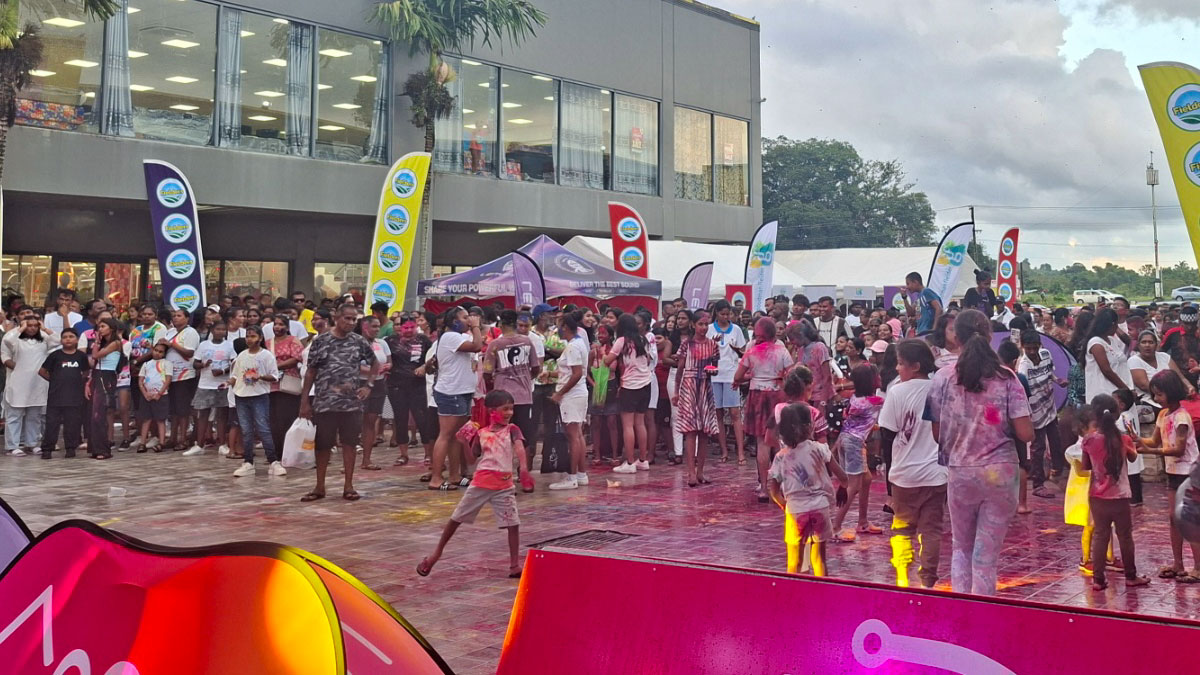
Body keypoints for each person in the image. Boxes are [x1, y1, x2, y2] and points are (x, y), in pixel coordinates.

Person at [925, 309, 1034, 595]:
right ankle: (983, 611)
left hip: (961, 472)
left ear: (956, 338)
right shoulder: (1007, 378)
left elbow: (937, 434)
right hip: (1001, 472)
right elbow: (1026, 433)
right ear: (990, 335)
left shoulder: (942, 378)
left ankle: (962, 611)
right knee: (986, 558)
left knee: (961, 548)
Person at [416, 390, 526, 579]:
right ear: (492, 410)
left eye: (511, 409)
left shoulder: (513, 430)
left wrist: (523, 467)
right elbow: (471, 460)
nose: (509, 413)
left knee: (513, 524)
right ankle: (436, 554)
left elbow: (519, 447)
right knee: (456, 518)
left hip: (504, 486)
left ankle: (514, 565)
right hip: (481, 484)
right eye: (505, 409)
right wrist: (464, 443)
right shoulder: (481, 433)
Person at [878, 339, 946, 588]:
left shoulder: (897, 391)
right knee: (931, 530)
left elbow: (887, 434)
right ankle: (928, 581)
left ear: (915, 366)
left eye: (900, 364)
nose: (897, 368)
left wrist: (889, 482)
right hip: (936, 475)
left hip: (904, 476)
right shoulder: (939, 389)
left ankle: (903, 579)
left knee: (903, 528)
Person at [299, 304, 379, 501]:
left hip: (351, 403)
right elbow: (311, 372)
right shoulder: (321, 341)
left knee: (350, 443)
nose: (350, 323)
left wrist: (368, 385)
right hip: (325, 402)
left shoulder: (358, 341)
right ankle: (319, 486)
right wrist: (304, 401)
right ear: (336, 318)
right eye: (347, 318)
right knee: (323, 445)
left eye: (354, 319)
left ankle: (349, 486)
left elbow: (375, 363)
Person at [1133, 370, 1200, 582]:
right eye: (1154, 394)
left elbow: (1178, 449)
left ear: (1171, 392)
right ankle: (1178, 563)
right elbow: (1154, 440)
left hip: (1188, 473)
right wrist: (1137, 440)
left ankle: (1198, 567)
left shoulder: (1181, 417)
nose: (1156, 398)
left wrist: (1149, 451)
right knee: (1174, 519)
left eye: (1159, 394)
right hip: (1173, 473)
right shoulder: (1163, 415)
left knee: (1190, 520)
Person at [769, 402, 847, 577]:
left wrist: (785, 505)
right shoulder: (820, 449)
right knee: (819, 559)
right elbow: (843, 477)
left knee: (794, 561)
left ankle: (792, 590)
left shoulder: (780, 458)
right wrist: (843, 488)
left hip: (796, 511)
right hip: (820, 507)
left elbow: (773, 491)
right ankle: (822, 589)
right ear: (810, 426)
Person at [1081, 393, 1150, 591]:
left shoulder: (1089, 440)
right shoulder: (1123, 439)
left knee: (1101, 535)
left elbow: (1086, 466)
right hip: (1120, 496)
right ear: (1117, 413)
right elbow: (1133, 457)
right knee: (1125, 535)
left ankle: (1098, 580)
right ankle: (1131, 576)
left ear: (1094, 415)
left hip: (1097, 496)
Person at [735, 318, 794, 502]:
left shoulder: (751, 351)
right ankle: (781, 485)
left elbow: (738, 376)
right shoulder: (782, 351)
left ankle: (763, 487)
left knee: (762, 442)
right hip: (777, 396)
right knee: (779, 442)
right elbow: (792, 374)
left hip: (757, 396)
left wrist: (751, 375)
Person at [428, 307, 484, 491]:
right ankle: (436, 478)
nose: (469, 320)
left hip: (463, 391)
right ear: (454, 321)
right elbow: (477, 346)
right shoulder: (450, 336)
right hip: (451, 392)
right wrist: (475, 327)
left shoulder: (460, 337)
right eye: (465, 317)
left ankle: (455, 475)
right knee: (446, 434)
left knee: (456, 436)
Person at [831, 364, 885, 541]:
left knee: (866, 479)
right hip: (855, 444)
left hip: (845, 440)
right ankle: (836, 526)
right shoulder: (876, 401)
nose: (880, 378)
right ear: (871, 381)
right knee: (853, 485)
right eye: (877, 375)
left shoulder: (855, 397)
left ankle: (863, 522)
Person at [229, 325, 284, 478]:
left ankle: (273, 461)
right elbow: (235, 375)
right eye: (247, 336)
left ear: (260, 338)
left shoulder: (266, 356)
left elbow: (274, 376)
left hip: (259, 396)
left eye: (253, 336)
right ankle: (248, 462)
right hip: (241, 396)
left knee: (263, 428)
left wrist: (259, 376)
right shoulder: (241, 356)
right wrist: (228, 382)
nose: (249, 339)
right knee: (246, 430)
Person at [672, 311, 720, 487]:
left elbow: (715, 368)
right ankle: (691, 472)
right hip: (689, 386)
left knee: (704, 432)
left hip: (705, 387)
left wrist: (712, 371)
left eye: (706, 324)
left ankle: (700, 471)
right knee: (691, 431)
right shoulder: (687, 344)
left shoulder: (713, 345)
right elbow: (680, 369)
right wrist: (676, 391)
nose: (704, 328)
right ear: (693, 325)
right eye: (700, 324)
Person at [1018, 330, 1067, 498]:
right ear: (1023, 347)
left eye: (1034, 348)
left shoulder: (1046, 354)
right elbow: (1023, 391)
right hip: (1035, 411)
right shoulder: (1023, 366)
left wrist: (1057, 380)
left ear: (1039, 346)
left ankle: (1057, 472)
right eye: (1028, 349)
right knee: (1038, 447)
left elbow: (1049, 371)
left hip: (1049, 406)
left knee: (1056, 440)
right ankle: (1038, 484)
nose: (1032, 352)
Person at [2, 314, 58, 455]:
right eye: (29, 325)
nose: (32, 328)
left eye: (35, 325)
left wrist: (44, 328)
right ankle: (12, 446)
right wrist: (21, 328)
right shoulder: (15, 338)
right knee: (15, 415)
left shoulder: (43, 338)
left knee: (34, 416)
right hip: (18, 382)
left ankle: (31, 444)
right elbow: (7, 342)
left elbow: (57, 340)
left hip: (37, 383)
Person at [549, 313, 590, 491]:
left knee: (573, 436)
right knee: (578, 435)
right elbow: (571, 371)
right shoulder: (578, 344)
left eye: (558, 325)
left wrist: (560, 393)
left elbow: (577, 374)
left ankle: (572, 476)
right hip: (578, 393)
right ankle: (581, 474)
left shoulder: (573, 346)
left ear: (565, 326)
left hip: (572, 395)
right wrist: (551, 374)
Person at [607, 313, 651, 474]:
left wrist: (602, 355)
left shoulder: (621, 341)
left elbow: (607, 361)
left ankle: (630, 462)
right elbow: (648, 360)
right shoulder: (643, 340)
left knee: (627, 425)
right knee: (640, 423)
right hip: (646, 384)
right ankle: (643, 460)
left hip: (630, 386)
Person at [387, 317, 434, 467]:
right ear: (399, 328)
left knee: (422, 419)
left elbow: (434, 357)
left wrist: (424, 367)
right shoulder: (390, 341)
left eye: (411, 327)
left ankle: (428, 453)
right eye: (405, 328)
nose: (408, 331)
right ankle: (403, 454)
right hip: (396, 386)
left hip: (418, 385)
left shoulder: (424, 340)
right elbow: (385, 360)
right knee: (400, 419)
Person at [38, 327, 89, 459]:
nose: (68, 339)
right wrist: (54, 380)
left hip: (74, 397)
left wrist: (77, 381)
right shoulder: (55, 356)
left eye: (71, 337)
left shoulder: (81, 356)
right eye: (65, 337)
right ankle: (47, 449)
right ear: (61, 340)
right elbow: (42, 371)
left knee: (72, 424)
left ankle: (70, 448)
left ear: (77, 340)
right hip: (56, 396)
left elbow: (86, 372)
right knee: (52, 424)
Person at [708, 300, 748, 464]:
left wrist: (737, 351)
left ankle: (740, 452)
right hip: (714, 375)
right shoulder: (709, 329)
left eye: (728, 314)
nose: (725, 317)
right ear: (716, 313)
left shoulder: (736, 330)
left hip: (731, 374)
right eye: (722, 314)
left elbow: (743, 351)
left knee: (734, 413)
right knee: (718, 414)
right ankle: (724, 451)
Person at [186, 320, 233, 456]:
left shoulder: (229, 345)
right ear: (212, 330)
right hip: (205, 384)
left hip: (222, 384)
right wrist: (203, 365)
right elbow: (195, 363)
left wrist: (222, 371)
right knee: (202, 414)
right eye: (218, 329)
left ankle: (222, 444)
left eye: (223, 329)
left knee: (222, 414)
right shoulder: (203, 345)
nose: (220, 332)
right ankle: (199, 445)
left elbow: (234, 364)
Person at [159, 308, 200, 451]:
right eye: (174, 316)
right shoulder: (170, 332)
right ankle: (173, 438)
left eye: (179, 315)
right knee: (173, 409)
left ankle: (183, 439)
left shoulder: (191, 332)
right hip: (170, 375)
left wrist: (171, 345)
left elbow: (189, 352)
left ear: (187, 318)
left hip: (185, 375)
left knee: (183, 409)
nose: (175, 318)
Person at [265, 316, 304, 460]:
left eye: (281, 324)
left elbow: (296, 358)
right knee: (273, 421)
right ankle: (276, 453)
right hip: (271, 386)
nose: (277, 327)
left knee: (287, 419)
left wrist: (277, 366)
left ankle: (290, 453)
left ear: (287, 327)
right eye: (275, 324)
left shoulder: (293, 340)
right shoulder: (268, 343)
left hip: (288, 385)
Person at [357, 316, 392, 471]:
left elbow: (389, 361)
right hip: (360, 383)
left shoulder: (381, 343)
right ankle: (348, 459)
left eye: (378, 326)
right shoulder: (356, 343)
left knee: (370, 421)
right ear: (365, 327)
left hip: (378, 384)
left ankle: (367, 459)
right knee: (355, 422)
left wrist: (385, 368)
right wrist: (373, 370)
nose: (377, 329)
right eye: (374, 326)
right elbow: (354, 365)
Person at [85, 318, 122, 460]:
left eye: (103, 326)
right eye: (99, 327)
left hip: (106, 376)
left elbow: (96, 355)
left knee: (100, 413)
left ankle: (103, 449)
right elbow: (93, 362)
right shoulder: (104, 344)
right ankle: (95, 448)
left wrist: (96, 342)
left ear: (111, 328)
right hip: (97, 374)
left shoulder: (115, 343)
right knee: (94, 414)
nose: (100, 329)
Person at [1084, 308, 1132, 405]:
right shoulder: (1096, 343)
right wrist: (1126, 390)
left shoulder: (1112, 340)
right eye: (1116, 324)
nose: (1117, 327)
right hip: (1105, 393)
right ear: (1111, 325)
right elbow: (1107, 371)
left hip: (1121, 391)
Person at [136, 342, 172, 453]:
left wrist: (159, 393)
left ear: (164, 354)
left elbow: (168, 380)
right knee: (146, 419)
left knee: (160, 420)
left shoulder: (167, 364)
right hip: (147, 395)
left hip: (161, 396)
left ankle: (161, 442)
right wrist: (145, 393)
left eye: (160, 352)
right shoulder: (146, 364)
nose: (157, 353)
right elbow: (140, 381)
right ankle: (142, 443)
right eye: (156, 350)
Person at [1113, 389, 1144, 506]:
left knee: (1130, 474)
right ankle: (1137, 499)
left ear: (1121, 405)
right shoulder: (1130, 415)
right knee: (1134, 474)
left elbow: (1124, 431)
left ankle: (1132, 499)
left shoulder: (1123, 418)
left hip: (1127, 448)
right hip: (1131, 447)